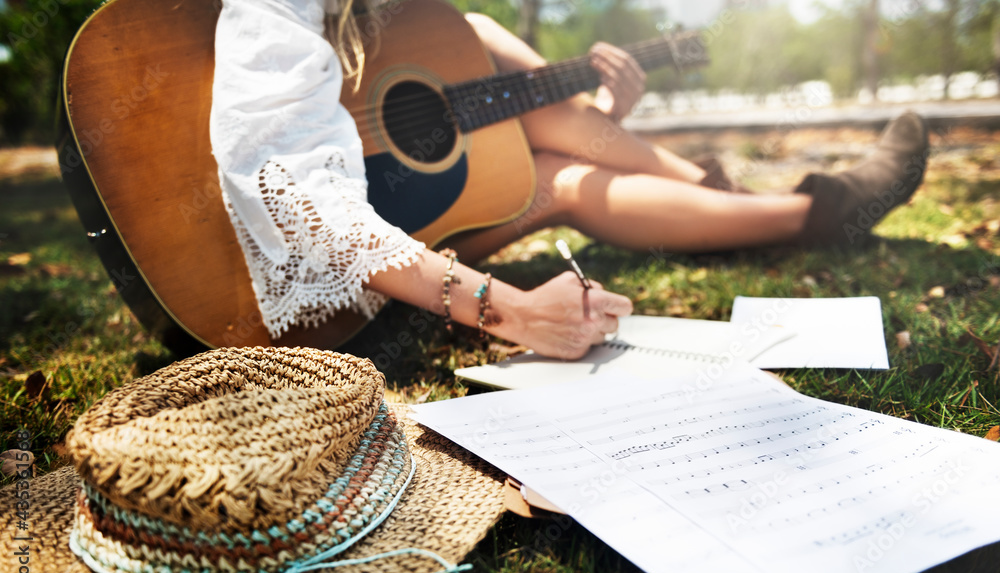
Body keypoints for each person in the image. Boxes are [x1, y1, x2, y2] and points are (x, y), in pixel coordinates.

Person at [210, 0, 928, 361]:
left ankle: (805, 210)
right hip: (293, 269)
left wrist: (610, 115)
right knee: (492, 50)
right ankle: (806, 204)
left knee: (558, 168)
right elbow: (301, 203)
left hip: (407, 206)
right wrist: (511, 310)